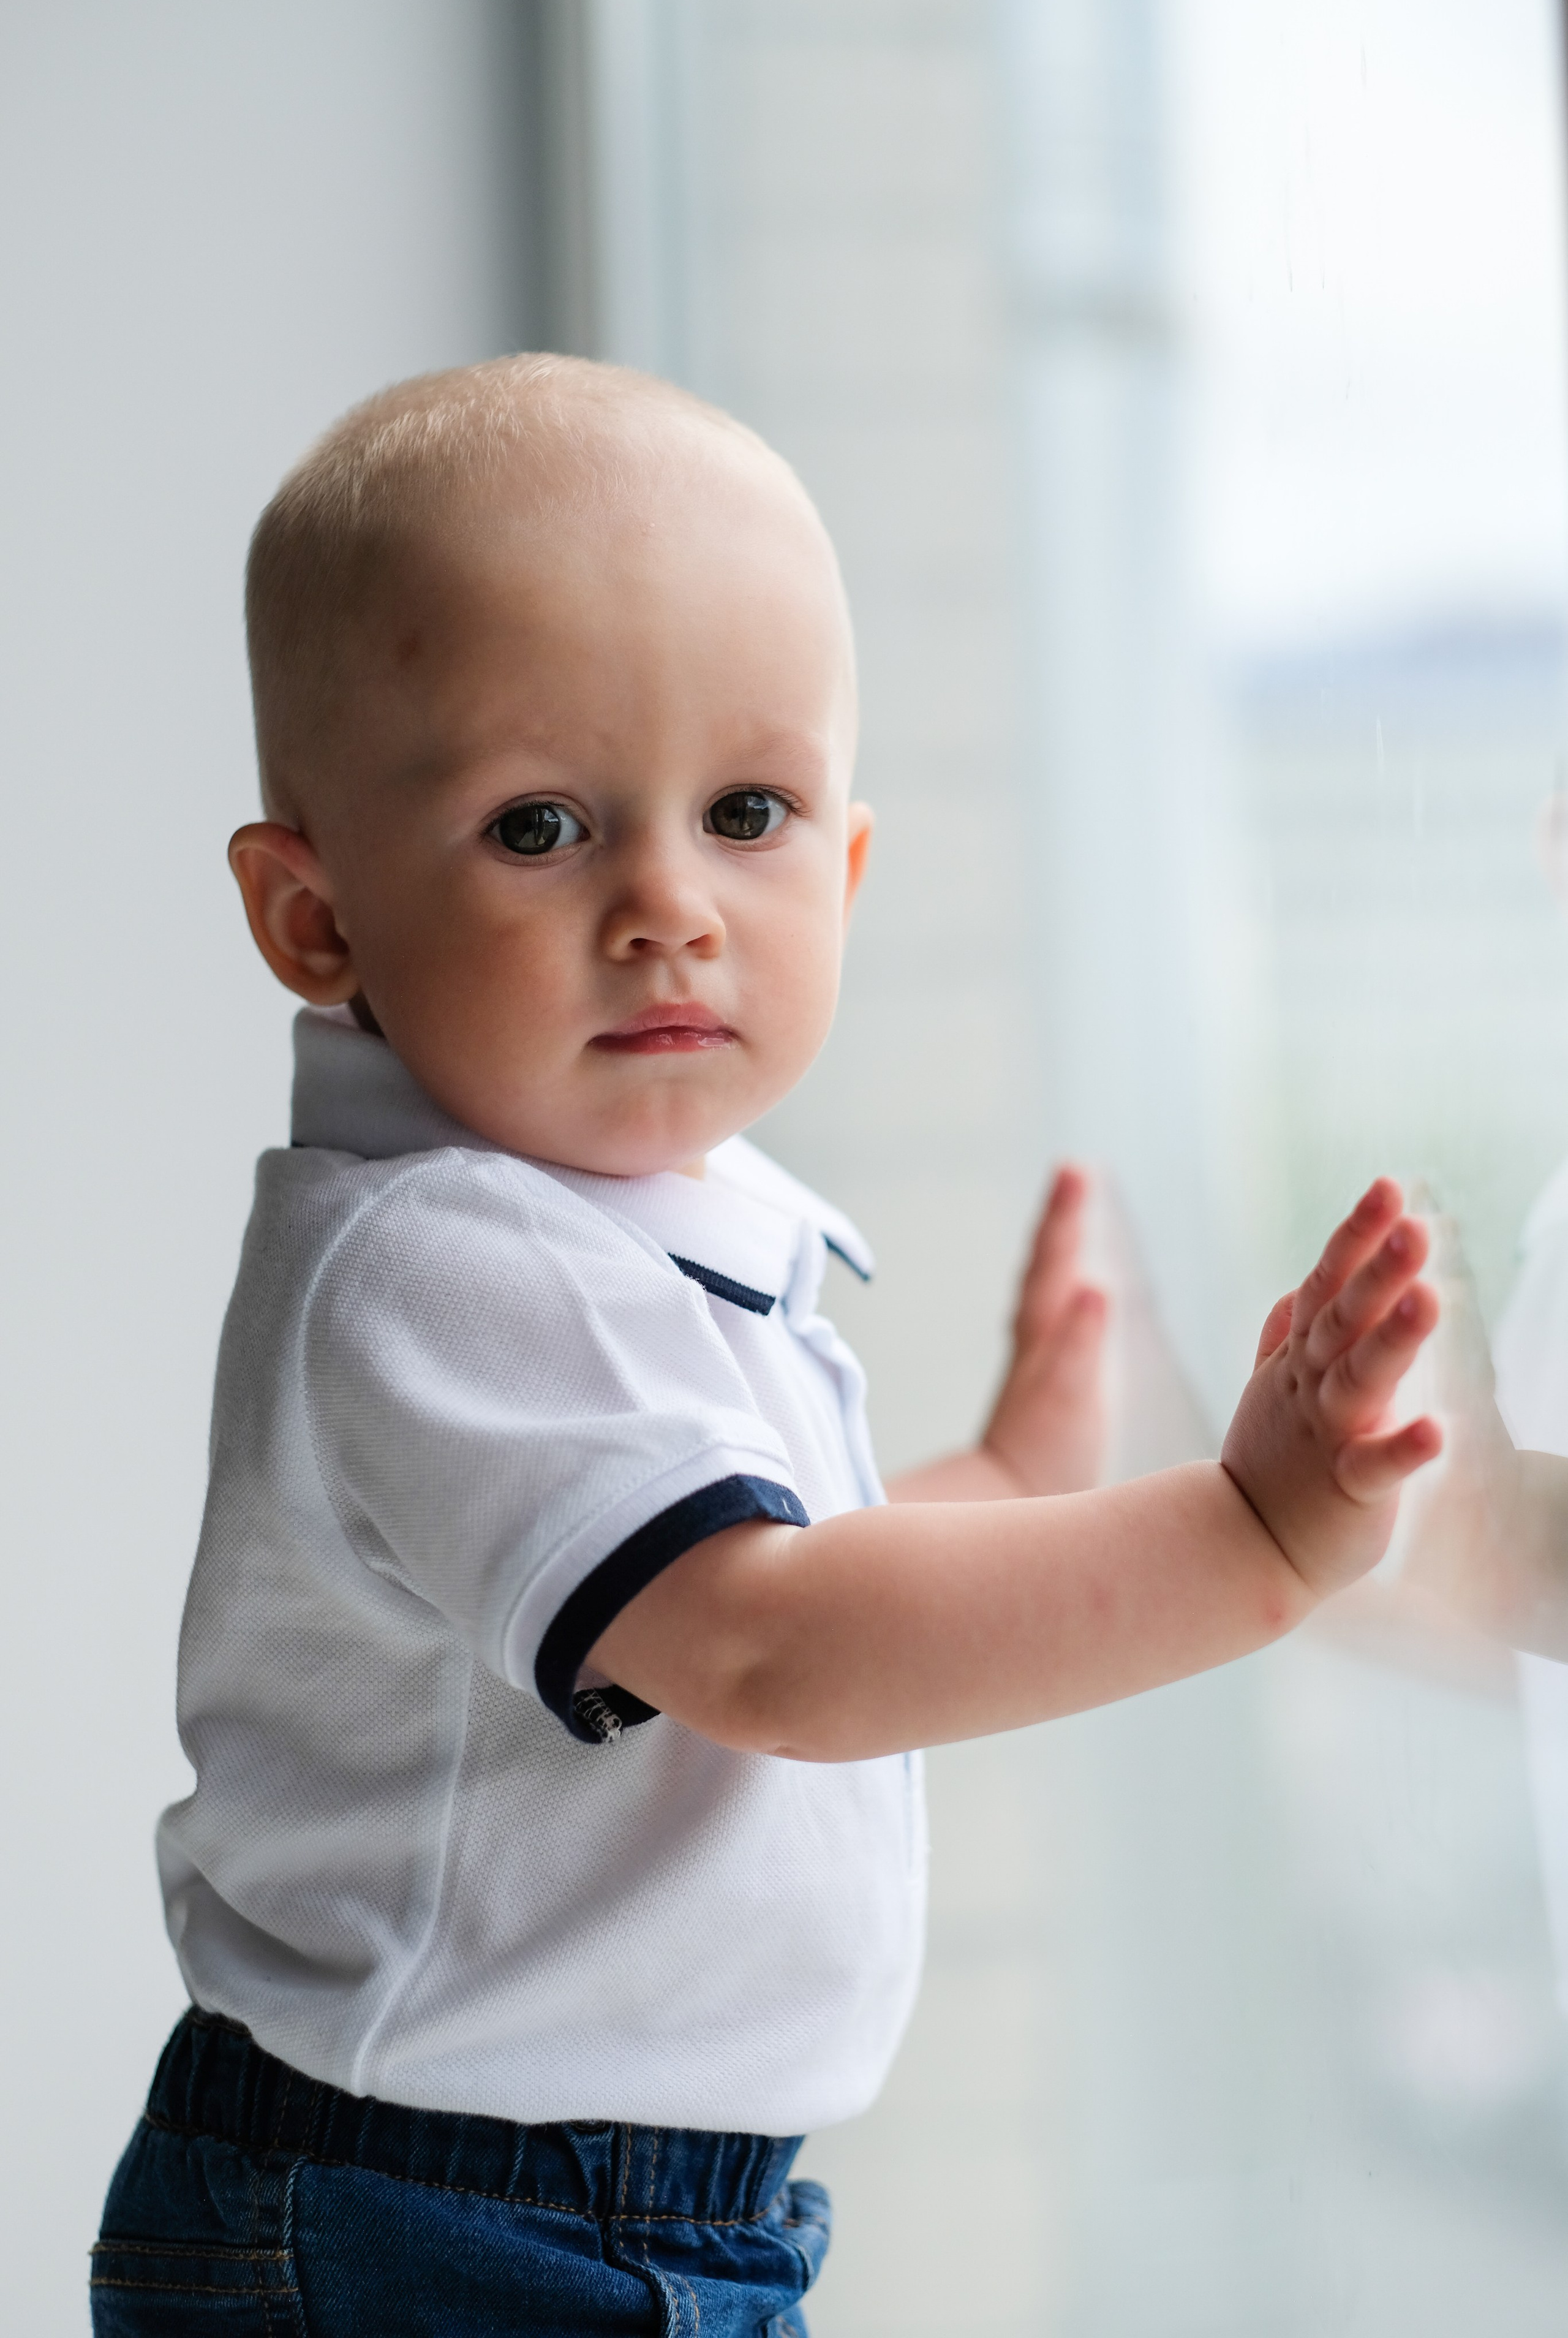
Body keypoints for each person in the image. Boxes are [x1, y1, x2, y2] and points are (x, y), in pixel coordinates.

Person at [91, 354, 1441, 2337]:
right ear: (316, 923)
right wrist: (1247, 1537)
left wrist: (1006, 1480)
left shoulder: (622, 1233)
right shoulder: (440, 1264)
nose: (666, 906)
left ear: (851, 869)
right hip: (437, 2218)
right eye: (540, 825)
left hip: (570, 2202)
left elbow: (762, 1584)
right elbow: (770, 1645)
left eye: (746, 812)